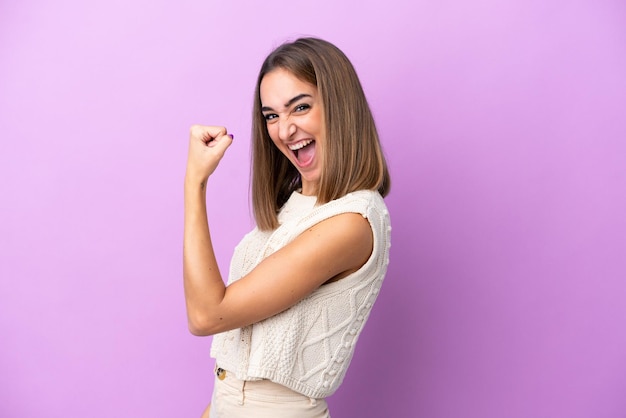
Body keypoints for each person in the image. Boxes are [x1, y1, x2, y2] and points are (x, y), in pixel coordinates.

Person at [183, 37, 391, 418]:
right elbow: (243, 358)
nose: (284, 129)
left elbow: (207, 315)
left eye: (301, 107)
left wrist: (195, 184)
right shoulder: (293, 208)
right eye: (272, 115)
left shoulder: (351, 221)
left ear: (340, 107)